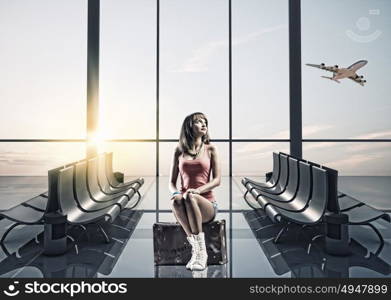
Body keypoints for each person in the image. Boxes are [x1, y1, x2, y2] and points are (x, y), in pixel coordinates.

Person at [169, 112, 221, 271]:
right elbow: (171, 182)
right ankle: (196, 251)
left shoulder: (210, 149)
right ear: (189, 127)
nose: (203, 124)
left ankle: (202, 254)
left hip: (207, 205)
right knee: (176, 201)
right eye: (198, 121)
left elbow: (217, 180)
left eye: (205, 121)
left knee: (190, 196)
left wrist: (197, 191)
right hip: (184, 202)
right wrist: (175, 192)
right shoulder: (179, 150)